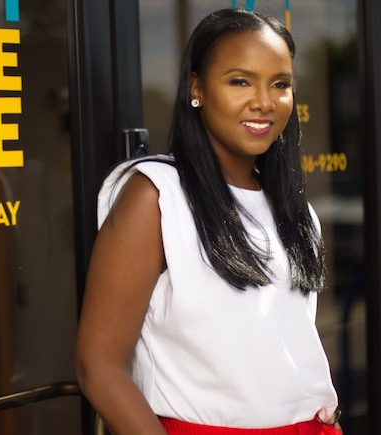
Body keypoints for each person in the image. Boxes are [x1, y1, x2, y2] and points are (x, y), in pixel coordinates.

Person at [75, 8, 342, 435]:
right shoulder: (157, 195)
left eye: (281, 84)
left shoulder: (295, 211)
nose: (264, 101)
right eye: (240, 81)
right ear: (197, 87)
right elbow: (99, 368)